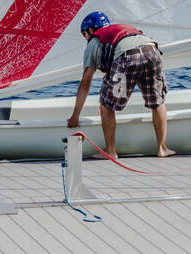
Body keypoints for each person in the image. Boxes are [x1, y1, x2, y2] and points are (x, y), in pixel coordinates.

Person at [67, 12, 174, 159]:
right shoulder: (122, 29)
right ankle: (162, 148)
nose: (85, 38)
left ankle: (110, 151)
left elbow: (85, 83)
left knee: (106, 105)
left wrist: (75, 117)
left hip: (127, 56)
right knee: (157, 102)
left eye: (84, 34)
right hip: (152, 51)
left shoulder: (93, 41)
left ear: (91, 30)